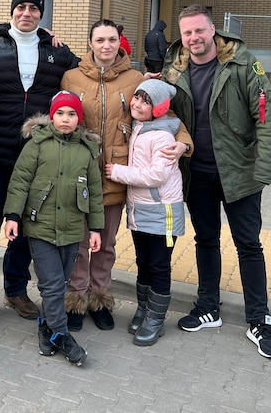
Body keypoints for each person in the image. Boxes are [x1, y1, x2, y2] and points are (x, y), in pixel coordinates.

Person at [161, 4, 271, 360]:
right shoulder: (175, 71)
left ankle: (259, 319)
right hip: (197, 172)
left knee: (249, 245)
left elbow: (266, 116)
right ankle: (208, 307)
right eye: (187, 33)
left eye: (200, 30)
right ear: (181, 38)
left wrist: (266, 169)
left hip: (240, 173)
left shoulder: (243, 65)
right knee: (206, 240)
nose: (194, 38)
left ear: (213, 30)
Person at [60, 19, 191, 332]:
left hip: (117, 176)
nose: (106, 46)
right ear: (90, 43)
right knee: (77, 243)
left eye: (112, 40)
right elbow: (59, 116)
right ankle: (75, 299)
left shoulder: (135, 78)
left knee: (105, 244)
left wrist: (184, 142)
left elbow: (166, 115)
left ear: (120, 42)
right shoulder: (70, 77)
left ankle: (98, 298)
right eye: (100, 40)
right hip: (80, 173)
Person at [0, 0, 79, 326]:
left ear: (42, 13)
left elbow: (87, 75)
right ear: (12, 10)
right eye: (21, 7)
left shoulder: (56, 50)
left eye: (33, 8)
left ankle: (15, 290)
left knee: (26, 230)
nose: (26, 13)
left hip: (36, 159)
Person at [3, 91, 104, 366]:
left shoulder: (86, 149)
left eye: (71, 114)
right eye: (60, 113)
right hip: (40, 226)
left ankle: (45, 327)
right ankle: (62, 335)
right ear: (52, 115)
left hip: (73, 229)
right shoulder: (37, 143)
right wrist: (12, 216)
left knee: (60, 283)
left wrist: (95, 229)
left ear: (78, 119)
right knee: (50, 283)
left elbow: (94, 192)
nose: (65, 119)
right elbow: (20, 180)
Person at [105, 79, 186, 347]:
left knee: (159, 266)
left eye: (146, 101)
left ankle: (156, 319)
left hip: (162, 211)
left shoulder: (162, 135)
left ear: (160, 109)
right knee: (143, 262)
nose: (138, 105)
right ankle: (143, 309)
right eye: (137, 98)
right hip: (140, 210)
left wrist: (118, 172)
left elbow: (157, 175)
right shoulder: (139, 128)